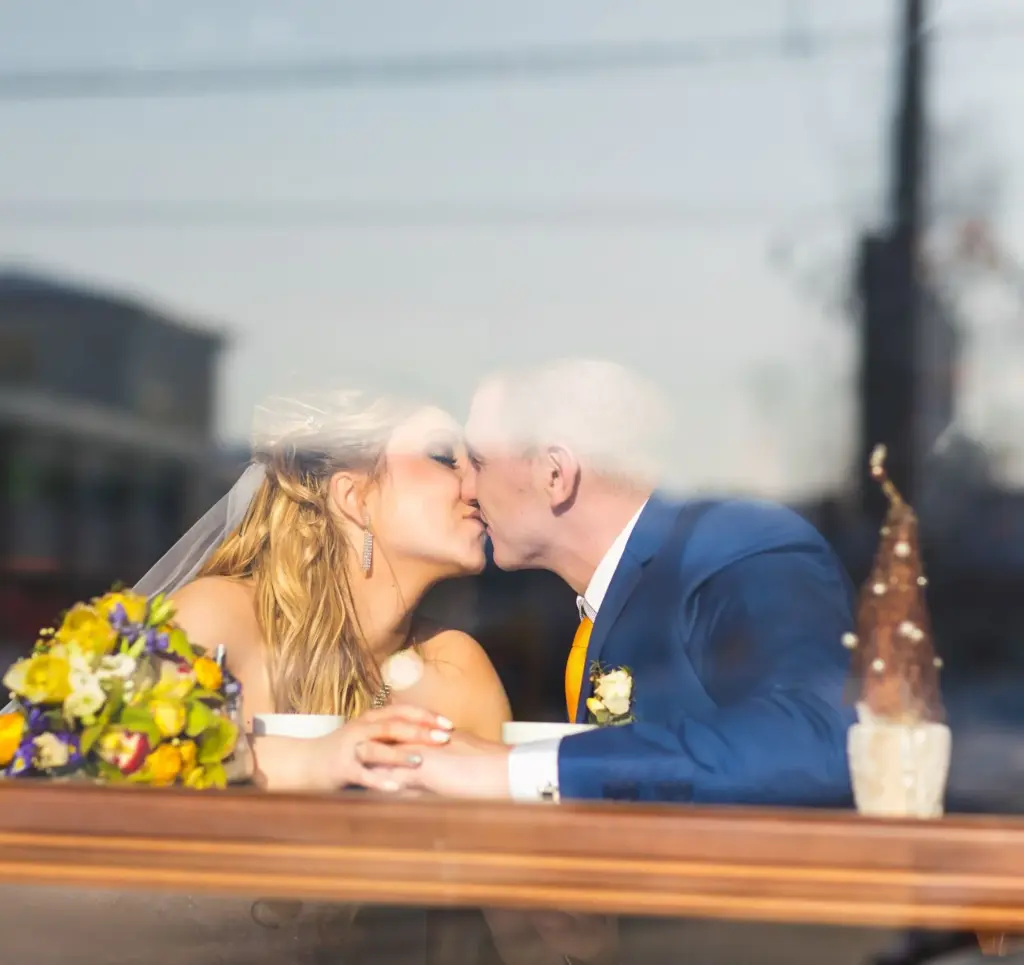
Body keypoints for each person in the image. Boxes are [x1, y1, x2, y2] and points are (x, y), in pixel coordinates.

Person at [365, 358, 857, 805]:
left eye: (479, 461)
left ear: (555, 473)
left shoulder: (736, 547)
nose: (466, 488)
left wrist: (515, 770)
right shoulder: (611, 595)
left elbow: (820, 739)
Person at [137, 389, 511, 792]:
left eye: (474, 463)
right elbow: (111, 762)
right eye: (443, 458)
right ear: (354, 497)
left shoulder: (458, 671)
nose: (476, 488)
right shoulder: (217, 620)